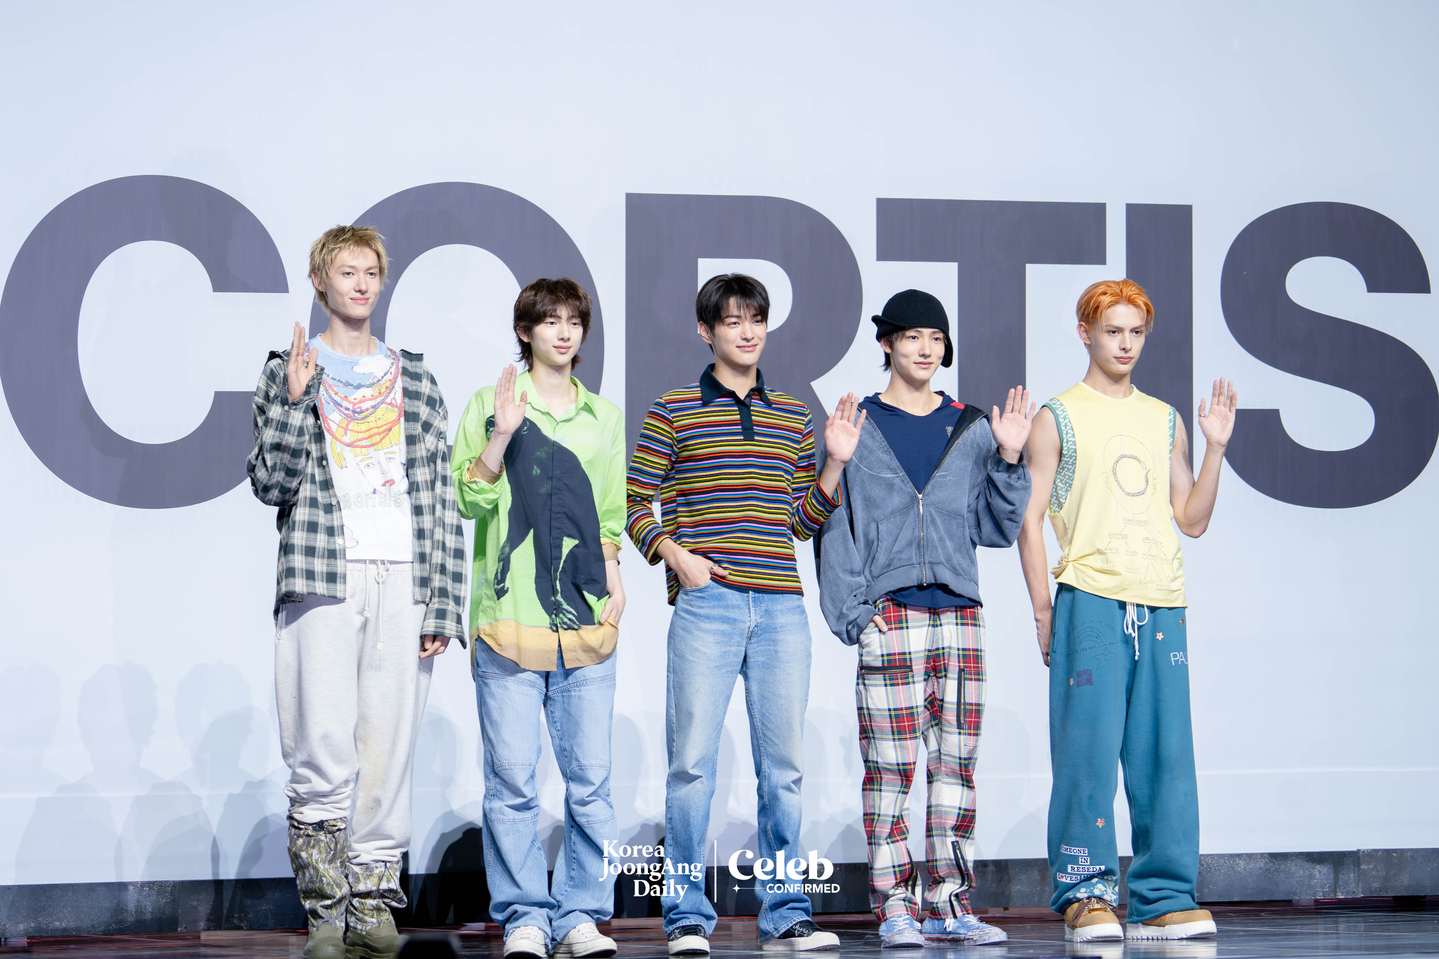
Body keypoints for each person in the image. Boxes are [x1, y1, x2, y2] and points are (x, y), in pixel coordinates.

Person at [626, 274, 864, 955]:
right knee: (691, 765)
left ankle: (785, 908)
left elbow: (799, 521)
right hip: (708, 604)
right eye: (731, 320)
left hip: (781, 607)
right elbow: (635, 503)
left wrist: (832, 468)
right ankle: (686, 916)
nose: (746, 330)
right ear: (707, 331)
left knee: (782, 767)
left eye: (754, 318)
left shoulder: (791, 414)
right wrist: (677, 556)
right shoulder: (673, 409)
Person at [246, 225, 467, 959]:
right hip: (322, 575)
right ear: (320, 281)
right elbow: (270, 484)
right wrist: (292, 401)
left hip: (402, 577)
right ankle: (325, 911)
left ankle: (373, 905)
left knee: (389, 744)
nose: (362, 283)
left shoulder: (416, 378)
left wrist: (443, 600)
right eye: (347, 271)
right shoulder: (289, 369)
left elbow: (440, 497)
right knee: (321, 745)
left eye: (371, 271)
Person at [1016, 279, 1236, 943]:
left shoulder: (1163, 417)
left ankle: (1163, 893)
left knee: (1166, 754)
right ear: (1085, 332)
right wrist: (1042, 609)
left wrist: (1215, 446)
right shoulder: (1056, 416)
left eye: (1135, 332)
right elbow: (1027, 521)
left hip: (1161, 599)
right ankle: (1084, 890)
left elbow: (1190, 520)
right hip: (1089, 597)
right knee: (1085, 751)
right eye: (1112, 330)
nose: (1124, 343)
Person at [817, 290, 1033, 948]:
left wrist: (1009, 458)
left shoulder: (969, 425)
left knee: (955, 766)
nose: (924, 348)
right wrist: (855, 615)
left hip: (959, 617)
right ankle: (893, 903)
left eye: (934, 337)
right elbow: (835, 529)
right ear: (885, 343)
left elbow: (995, 528)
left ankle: (949, 899)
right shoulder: (861, 423)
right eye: (910, 336)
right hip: (890, 616)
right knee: (888, 769)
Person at [452, 278, 627, 959]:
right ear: (524, 330)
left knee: (590, 783)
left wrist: (612, 572)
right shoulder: (489, 403)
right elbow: (469, 499)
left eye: (572, 320)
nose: (562, 331)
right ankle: (524, 912)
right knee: (512, 781)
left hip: (584, 623)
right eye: (548, 320)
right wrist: (500, 436)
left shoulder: (603, 417)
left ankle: (581, 911)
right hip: (507, 622)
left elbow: (608, 513)